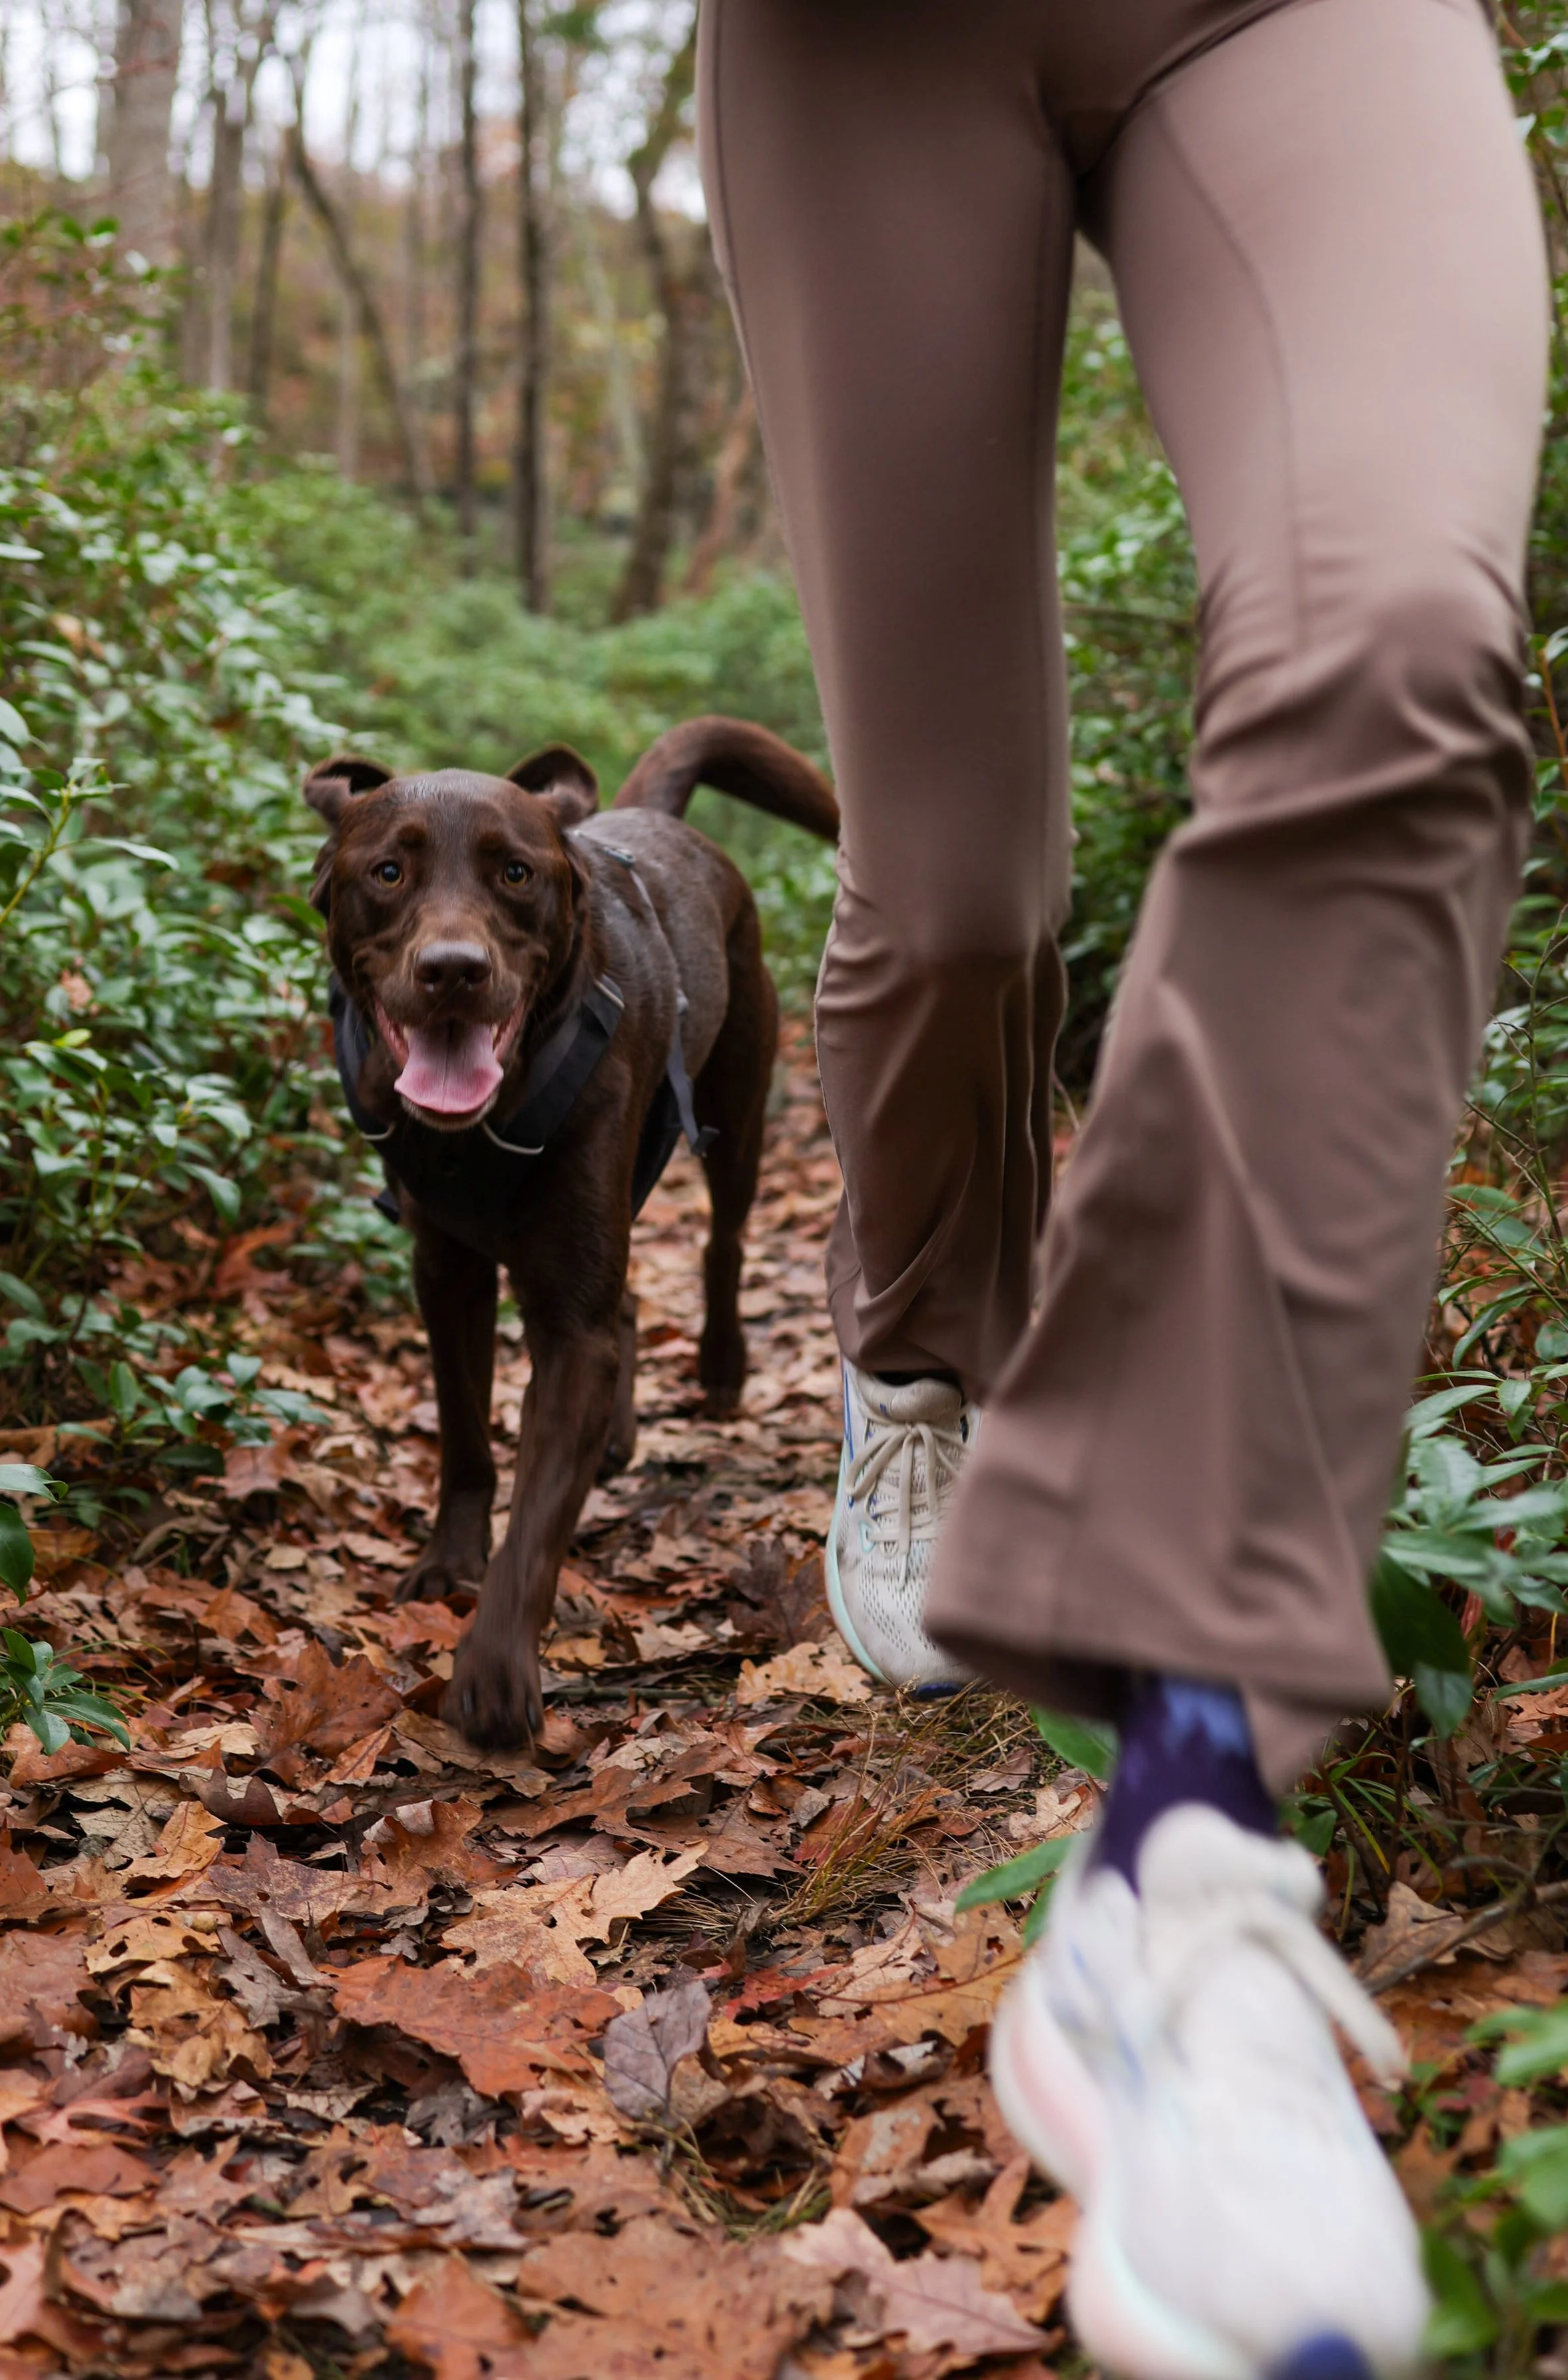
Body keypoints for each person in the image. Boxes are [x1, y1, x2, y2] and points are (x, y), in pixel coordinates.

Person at [696, 2, 1547, 2374]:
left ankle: (1179, 1852)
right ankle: (918, 1359)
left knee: (1397, 646)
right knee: (960, 892)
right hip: (860, 45)